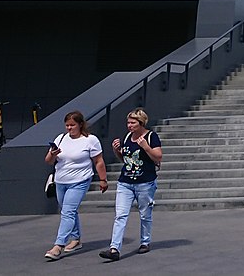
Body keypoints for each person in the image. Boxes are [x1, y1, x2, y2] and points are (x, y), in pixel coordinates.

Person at [100, 108, 163, 261]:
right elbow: (127, 161)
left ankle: (145, 242)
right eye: (128, 122)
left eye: (133, 122)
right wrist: (117, 151)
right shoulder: (128, 136)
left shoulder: (151, 136)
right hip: (125, 182)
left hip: (145, 183)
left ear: (141, 123)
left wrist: (146, 147)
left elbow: (158, 157)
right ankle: (114, 248)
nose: (129, 125)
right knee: (120, 215)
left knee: (145, 214)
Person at [44, 111, 107, 260]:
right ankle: (76, 238)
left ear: (80, 125)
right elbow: (48, 161)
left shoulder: (90, 140)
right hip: (61, 180)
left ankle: (58, 245)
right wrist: (53, 154)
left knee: (68, 211)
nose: (69, 128)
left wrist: (103, 179)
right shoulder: (61, 138)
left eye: (72, 125)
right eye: (67, 125)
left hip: (80, 180)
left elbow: (98, 161)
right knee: (68, 210)